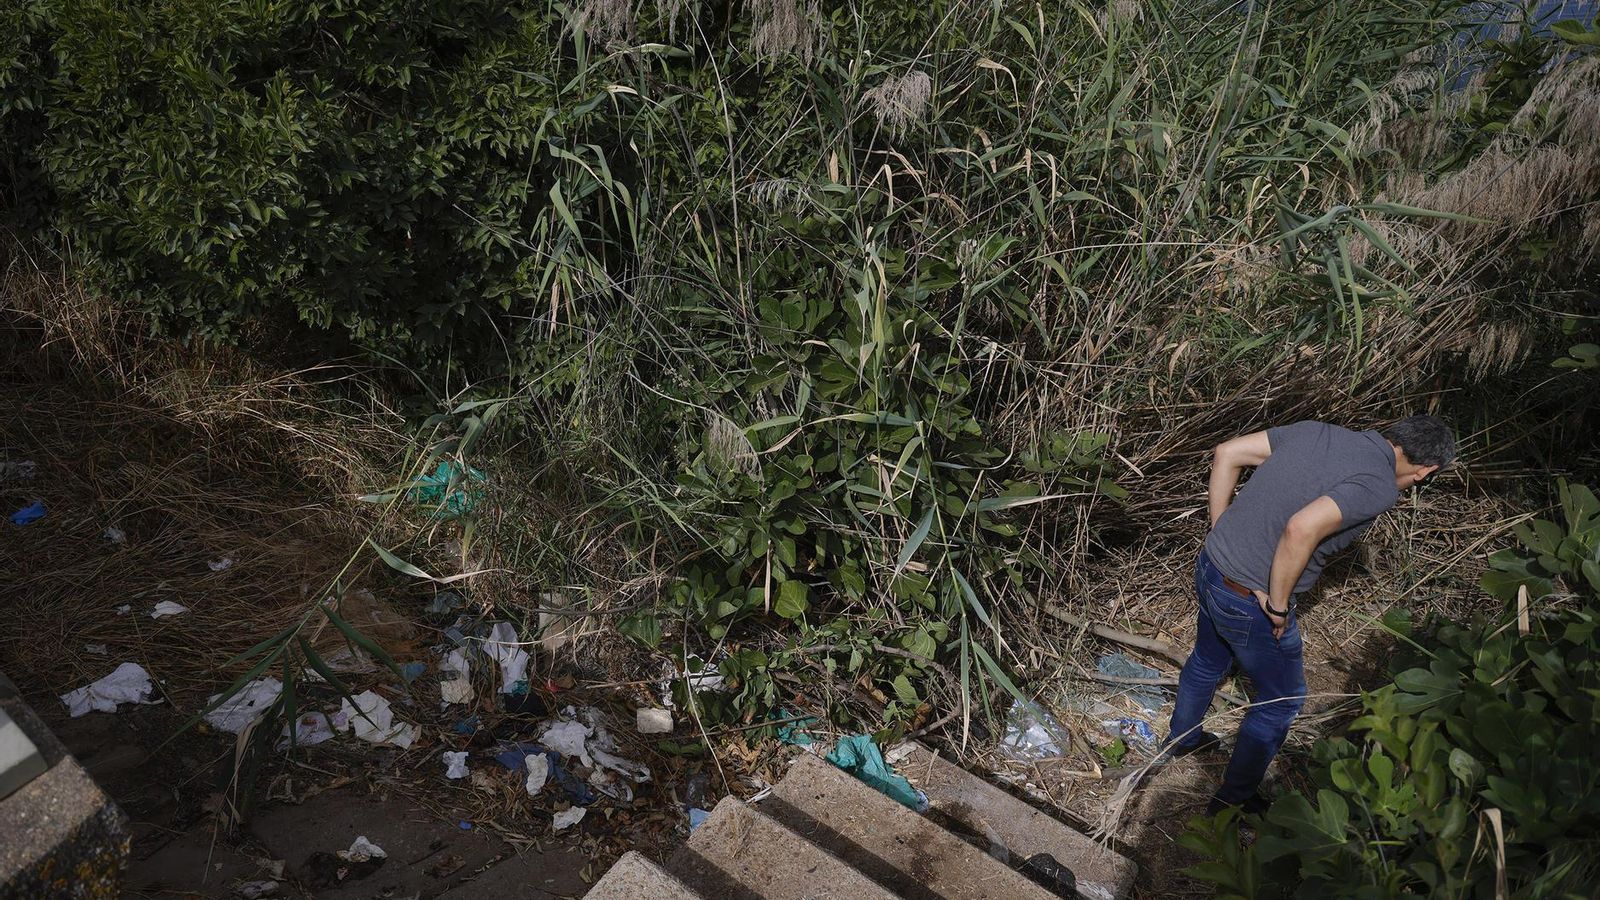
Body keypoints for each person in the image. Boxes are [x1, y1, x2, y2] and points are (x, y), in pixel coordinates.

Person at [1164, 415, 1457, 814]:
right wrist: (1277, 604)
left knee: (1207, 659)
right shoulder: (1379, 485)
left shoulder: (1318, 431)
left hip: (1211, 566)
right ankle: (1233, 801)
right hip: (1250, 599)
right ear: (1426, 470)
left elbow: (1227, 452)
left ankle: (1181, 741)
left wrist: (1221, 533)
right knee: (1281, 701)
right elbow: (1301, 529)